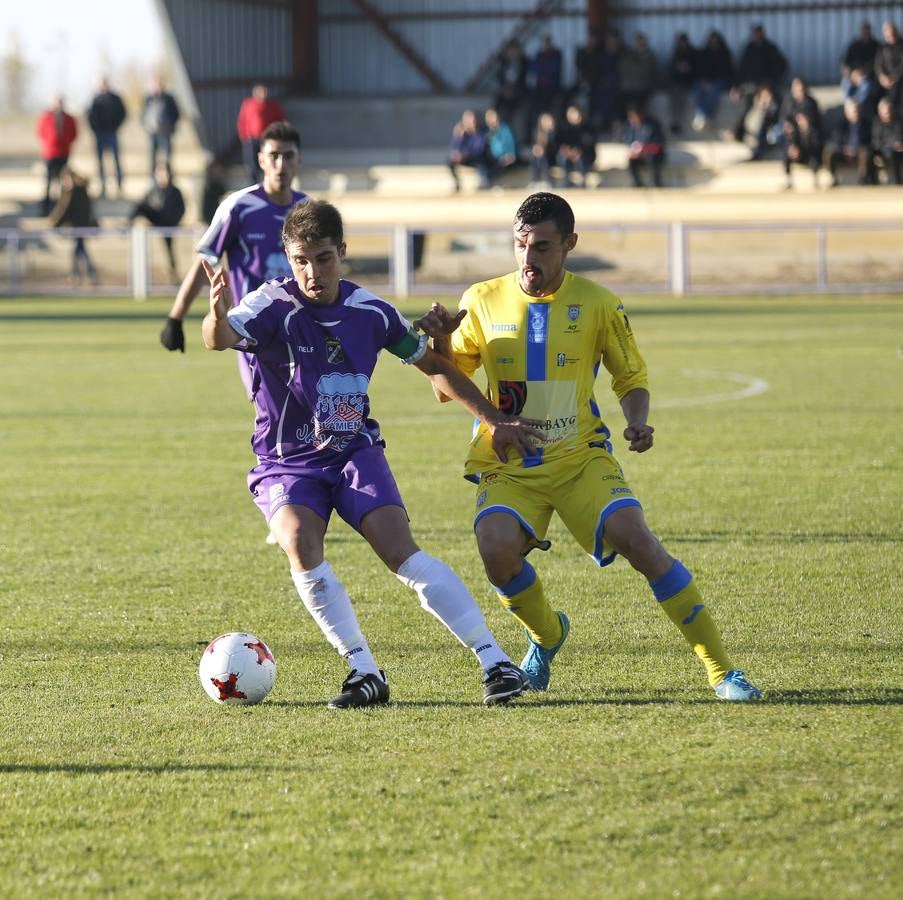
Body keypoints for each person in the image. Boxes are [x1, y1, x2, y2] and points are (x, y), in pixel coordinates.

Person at [415, 191, 762, 703]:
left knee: (639, 541)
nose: (528, 259)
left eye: (543, 248)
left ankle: (720, 671)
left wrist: (638, 422)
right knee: (495, 551)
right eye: (520, 246)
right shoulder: (482, 300)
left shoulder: (598, 303)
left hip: (580, 458)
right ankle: (548, 635)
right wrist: (442, 344)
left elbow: (631, 375)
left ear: (570, 244)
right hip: (509, 463)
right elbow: (446, 388)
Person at [200, 198, 539, 708]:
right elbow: (218, 338)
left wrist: (494, 419)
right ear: (288, 259)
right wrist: (216, 310)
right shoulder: (270, 305)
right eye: (300, 260)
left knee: (402, 553)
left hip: (354, 451)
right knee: (297, 541)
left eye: (323, 258)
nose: (312, 271)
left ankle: (496, 662)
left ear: (342, 252)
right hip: (288, 461)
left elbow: (435, 367)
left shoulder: (371, 313)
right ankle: (363, 671)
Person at [160, 121, 305, 398]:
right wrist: (175, 318)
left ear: (299, 160)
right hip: (253, 326)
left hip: (300, 325)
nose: (280, 164)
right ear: (261, 159)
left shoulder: (307, 209)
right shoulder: (239, 207)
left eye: (288, 156)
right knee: (271, 410)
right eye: (273, 155)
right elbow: (205, 263)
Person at [731, 24, 788, 142]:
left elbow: (782, 65)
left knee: (774, 106)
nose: (757, 36)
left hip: (768, 85)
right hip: (751, 85)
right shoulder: (749, 49)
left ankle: (773, 131)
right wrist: (736, 86)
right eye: (755, 33)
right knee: (745, 105)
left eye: (759, 33)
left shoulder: (770, 48)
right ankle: (738, 131)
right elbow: (741, 69)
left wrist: (771, 81)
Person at [129, 161, 186, 278]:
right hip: (157, 220)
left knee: (169, 249)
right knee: (140, 206)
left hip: (169, 223)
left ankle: (173, 273)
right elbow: (144, 205)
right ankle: (127, 224)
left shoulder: (175, 192)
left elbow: (181, 209)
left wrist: (173, 222)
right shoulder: (153, 191)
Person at [48, 167, 98, 285]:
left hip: (79, 226)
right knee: (80, 250)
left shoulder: (73, 192)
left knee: (78, 250)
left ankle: (79, 275)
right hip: (82, 226)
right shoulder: (82, 190)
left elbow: (65, 210)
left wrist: (56, 224)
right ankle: (87, 274)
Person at [36, 96, 78, 216]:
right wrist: (50, 142)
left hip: (64, 153)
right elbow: (41, 132)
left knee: (63, 182)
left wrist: (66, 142)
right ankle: (45, 208)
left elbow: (74, 133)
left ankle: (60, 209)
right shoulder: (46, 117)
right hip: (50, 154)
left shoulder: (69, 118)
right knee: (48, 181)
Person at [237, 83, 285, 183]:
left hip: (267, 140)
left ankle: (269, 182)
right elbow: (243, 121)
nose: (263, 94)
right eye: (260, 92)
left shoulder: (272, 105)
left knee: (269, 161)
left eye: (264, 92)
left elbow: (280, 121)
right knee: (252, 163)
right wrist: (244, 136)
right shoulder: (248, 104)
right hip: (251, 139)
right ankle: (253, 184)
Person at [87, 76, 127, 197]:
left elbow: (123, 113)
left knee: (116, 161)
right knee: (100, 162)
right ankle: (103, 187)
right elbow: (89, 116)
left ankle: (119, 186)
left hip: (112, 132)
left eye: (104, 83)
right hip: (100, 134)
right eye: (101, 83)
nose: (103, 85)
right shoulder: (95, 99)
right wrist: (95, 128)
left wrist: (116, 125)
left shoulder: (115, 98)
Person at [692, 30, 734, 132]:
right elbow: (700, 69)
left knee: (713, 90)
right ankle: (703, 116)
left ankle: (704, 116)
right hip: (705, 81)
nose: (714, 43)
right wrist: (704, 81)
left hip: (721, 80)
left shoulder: (725, 53)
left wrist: (711, 82)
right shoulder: (704, 53)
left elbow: (727, 70)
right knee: (696, 89)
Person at [823, 99, 871, 186]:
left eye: (857, 110)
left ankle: (863, 178)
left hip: (858, 152)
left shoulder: (865, 124)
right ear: (847, 112)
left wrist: (855, 149)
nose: (855, 113)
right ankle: (832, 177)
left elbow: (868, 140)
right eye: (853, 111)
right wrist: (844, 149)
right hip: (843, 152)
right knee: (828, 151)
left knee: (865, 151)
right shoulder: (840, 124)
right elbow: (835, 140)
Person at [143, 75, 180, 170]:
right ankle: (153, 179)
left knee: (167, 157)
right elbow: (143, 115)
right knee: (152, 158)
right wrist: (146, 126)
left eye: (158, 83)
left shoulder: (169, 98)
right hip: (153, 133)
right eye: (154, 84)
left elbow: (176, 114)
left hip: (165, 133)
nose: (156, 86)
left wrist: (170, 126)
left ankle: (168, 177)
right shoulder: (148, 98)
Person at [447, 109, 490, 192]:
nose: (470, 122)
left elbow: (479, 149)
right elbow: (454, 148)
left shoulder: (480, 132)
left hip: (476, 158)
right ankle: (457, 183)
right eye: (467, 120)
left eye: (471, 119)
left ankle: (484, 182)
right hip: (464, 158)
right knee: (450, 161)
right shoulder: (462, 133)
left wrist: (466, 154)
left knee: (480, 162)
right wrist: (458, 137)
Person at [555, 104, 596, 188]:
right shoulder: (564, 127)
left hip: (585, 154)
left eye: (574, 113)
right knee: (562, 157)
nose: (572, 116)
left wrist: (578, 152)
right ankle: (566, 182)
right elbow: (560, 143)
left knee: (581, 159)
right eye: (570, 113)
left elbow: (589, 144)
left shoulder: (587, 127)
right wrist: (568, 152)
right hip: (568, 154)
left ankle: (583, 183)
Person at [623, 105, 666, 187]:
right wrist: (634, 150)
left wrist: (645, 149)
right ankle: (637, 183)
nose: (633, 119)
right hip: (639, 156)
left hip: (653, 154)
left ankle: (656, 183)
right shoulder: (631, 126)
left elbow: (659, 143)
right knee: (631, 161)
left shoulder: (653, 125)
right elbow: (627, 140)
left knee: (654, 160)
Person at [781, 110, 823, 190]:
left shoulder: (814, 130)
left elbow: (816, 145)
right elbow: (791, 143)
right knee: (786, 156)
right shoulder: (795, 131)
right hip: (800, 155)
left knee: (814, 159)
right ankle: (788, 180)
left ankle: (816, 181)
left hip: (811, 154)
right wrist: (793, 150)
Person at [667, 32, 697, 134]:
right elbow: (671, 70)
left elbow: (697, 68)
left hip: (689, 82)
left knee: (683, 100)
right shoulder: (676, 53)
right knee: (674, 100)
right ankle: (675, 122)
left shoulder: (692, 53)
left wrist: (688, 69)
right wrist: (678, 69)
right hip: (676, 83)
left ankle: (678, 122)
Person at [869, 97, 903, 183]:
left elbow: (898, 137)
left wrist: (898, 144)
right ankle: (871, 182)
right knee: (868, 153)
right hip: (881, 151)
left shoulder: (898, 122)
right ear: (880, 112)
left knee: (894, 154)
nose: (887, 114)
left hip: (897, 152)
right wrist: (891, 145)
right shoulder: (876, 122)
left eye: (889, 111)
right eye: (885, 112)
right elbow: (876, 141)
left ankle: (897, 182)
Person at [483, 108, 519, 186]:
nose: (491, 120)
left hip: (506, 158)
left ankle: (488, 182)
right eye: (488, 118)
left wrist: (510, 154)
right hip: (493, 159)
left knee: (498, 166)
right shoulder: (486, 131)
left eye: (492, 117)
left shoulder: (505, 129)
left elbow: (511, 142)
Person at [875, 21, 903, 113]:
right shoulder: (882, 48)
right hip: (885, 80)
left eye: (892, 35)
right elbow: (878, 65)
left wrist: (893, 77)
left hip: (898, 79)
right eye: (888, 36)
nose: (890, 38)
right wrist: (881, 77)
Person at [529, 111, 558, 186]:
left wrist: (544, 149)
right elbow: (535, 144)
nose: (547, 123)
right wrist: (536, 149)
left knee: (544, 157)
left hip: (554, 155)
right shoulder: (537, 132)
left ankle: (547, 181)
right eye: (545, 121)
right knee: (535, 157)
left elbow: (555, 146)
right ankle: (535, 181)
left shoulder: (556, 132)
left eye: (549, 120)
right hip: (542, 155)